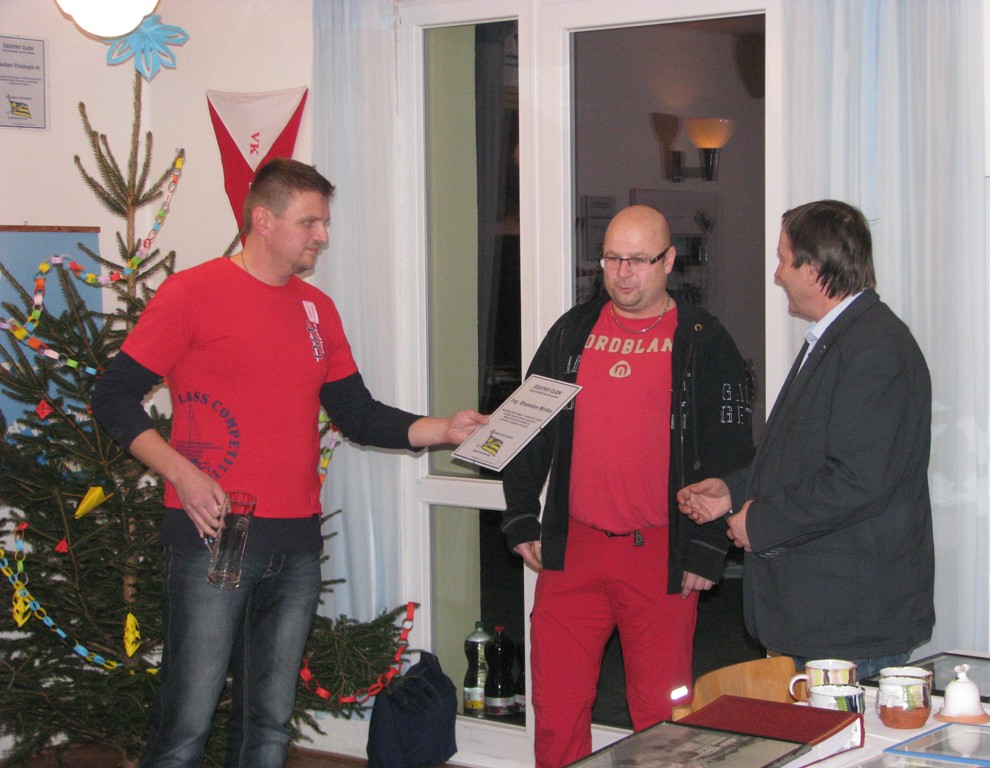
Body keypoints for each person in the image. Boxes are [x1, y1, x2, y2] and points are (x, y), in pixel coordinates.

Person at [90, 158, 486, 768]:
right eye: (310, 222)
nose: (322, 236)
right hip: (212, 538)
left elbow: (357, 413)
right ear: (264, 221)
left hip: (295, 544)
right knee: (186, 724)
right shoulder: (192, 293)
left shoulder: (316, 309)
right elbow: (112, 396)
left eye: (324, 222)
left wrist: (443, 430)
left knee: (270, 725)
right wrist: (182, 473)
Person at [501, 205, 755, 768]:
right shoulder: (572, 332)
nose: (622, 273)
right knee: (557, 706)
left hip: (659, 554)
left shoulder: (702, 339)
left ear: (668, 261)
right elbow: (525, 424)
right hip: (573, 552)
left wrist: (706, 546)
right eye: (612, 258)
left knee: (662, 719)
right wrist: (519, 515)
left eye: (638, 260)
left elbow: (732, 452)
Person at [678, 199, 934, 679]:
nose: (777, 275)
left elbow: (859, 481)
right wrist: (733, 490)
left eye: (784, 260)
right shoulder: (841, 339)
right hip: (822, 619)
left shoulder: (874, 349)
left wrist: (760, 522)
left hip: (849, 624)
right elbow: (802, 457)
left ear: (814, 269)